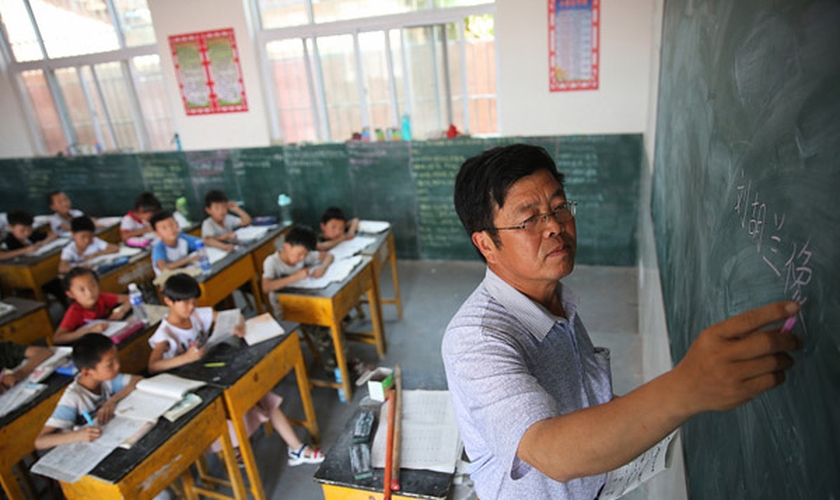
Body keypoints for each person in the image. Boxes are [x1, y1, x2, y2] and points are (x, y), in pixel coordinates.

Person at [441, 144, 802, 500]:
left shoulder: (555, 298)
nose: (554, 225)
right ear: (486, 244)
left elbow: (584, 399)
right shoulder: (477, 339)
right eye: (530, 218)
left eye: (559, 206)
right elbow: (550, 451)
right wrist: (685, 387)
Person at [147, 274, 324, 466]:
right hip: (195, 388)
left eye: (194, 301)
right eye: (185, 303)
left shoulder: (196, 314)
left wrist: (238, 325)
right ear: (168, 301)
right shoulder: (165, 334)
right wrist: (185, 358)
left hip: (214, 372)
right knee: (231, 409)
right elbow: (153, 365)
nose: (191, 306)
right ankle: (236, 448)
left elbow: (234, 315)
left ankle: (296, 448)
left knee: (260, 392)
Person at [35, 333, 141, 449]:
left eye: (116, 359)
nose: (117, 366)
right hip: (81, 448)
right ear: (86, 372)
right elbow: (40, 442)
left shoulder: (106, 380)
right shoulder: (74, 397)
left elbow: (137, 380)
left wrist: (111, 402)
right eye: (110, 364)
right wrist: (77, 435)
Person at [261, 225, 334, 320]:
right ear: (287, 246)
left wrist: (322, 268)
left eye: (305, 254)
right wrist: (295, 277)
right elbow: (266, 287)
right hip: (285, 309)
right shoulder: (272, 262)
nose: (302, 257)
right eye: (299, 254)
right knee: (322, 316)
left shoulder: (304, 254)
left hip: (306, 302)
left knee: (327, 312)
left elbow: (329, 256)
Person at [54, 268, 131, 345]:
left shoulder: (101, 298)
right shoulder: (74, 311)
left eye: (92, 286)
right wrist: (89, 331)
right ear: (70, 294)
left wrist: (122, 310)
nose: (89, 293)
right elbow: (58, 338)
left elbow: (130, 298)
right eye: (82, 290)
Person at [149, 210, 202, 276]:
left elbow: (202, 242)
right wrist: (188, 260)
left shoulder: (182, 238)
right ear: (157, 233)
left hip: (185, 273)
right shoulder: (159, 248)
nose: (170, 230)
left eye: (172, 225)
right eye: (164, 228)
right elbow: (163, 267)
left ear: (177, 224)